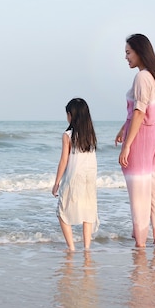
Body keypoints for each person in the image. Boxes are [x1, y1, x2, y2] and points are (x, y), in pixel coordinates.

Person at [115, 33, 155, 248]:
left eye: (128, 53)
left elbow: (139, 112)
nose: (126, 57)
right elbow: (144, 109)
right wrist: (123, 128)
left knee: (139, 192)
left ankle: (140, 244)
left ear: (139, 52)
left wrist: (126, 146)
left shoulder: (141, 77)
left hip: (141, 137)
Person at [52, 98, 99, 251]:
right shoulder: (90, 135)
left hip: (74, 177)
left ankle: (71, 247)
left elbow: (64, 160)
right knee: (88, 211)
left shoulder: (68, 135)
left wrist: (56, 182)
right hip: (90, 177)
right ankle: (86, 248)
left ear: (71, 115)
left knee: (62, 211)